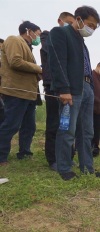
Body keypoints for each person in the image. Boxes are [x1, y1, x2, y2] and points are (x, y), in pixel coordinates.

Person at [48, 6, 100, 180]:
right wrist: (64, 89)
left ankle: (87, 168)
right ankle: (65, 168)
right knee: (67, 131)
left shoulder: (82, 42)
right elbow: (57, 63)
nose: (91, 29)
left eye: (95, 27)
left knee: (86, 132)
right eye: (90, 24)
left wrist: (91, 89)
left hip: (87, 89)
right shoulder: (60, 33)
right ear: (78, 19)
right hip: (71, 90)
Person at [0, 21, 42, 167]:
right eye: (38, 34)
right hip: (16, 91)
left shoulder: (29, 48)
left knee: (29, 127)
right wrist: (38, 68)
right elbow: (15, 62)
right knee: (11, 124)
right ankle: (1, 156)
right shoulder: (14, 39)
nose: (39, 37)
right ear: (29, 31)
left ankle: (25, 153)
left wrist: (37, 74)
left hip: (29, 93)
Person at [41, 12, 77, 171]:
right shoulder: (48, 36)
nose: (70, 26)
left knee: (67, 124)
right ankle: (52, 158)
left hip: (69, 86)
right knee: (54, 123)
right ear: (60, 21)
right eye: (68, 22)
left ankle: (67, 156)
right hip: (53, 85)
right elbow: (57, 56)